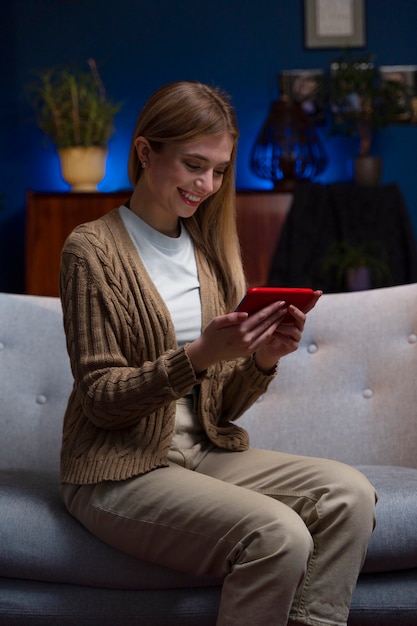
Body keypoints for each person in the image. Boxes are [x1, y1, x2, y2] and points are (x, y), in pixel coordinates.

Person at [59, 80, 377, 626]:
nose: (207, 185)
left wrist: (263, 360)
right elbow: (103, 402)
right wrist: (199, 354)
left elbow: (219, 412)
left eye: (220, 170)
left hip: (202, 453)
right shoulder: (90, 250)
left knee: (351, 495)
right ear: (145, 153)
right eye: (193, 164)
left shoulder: (211, 257)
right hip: (116, 469)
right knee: (278, 535)